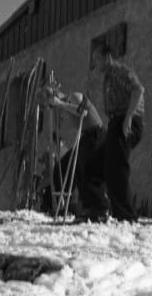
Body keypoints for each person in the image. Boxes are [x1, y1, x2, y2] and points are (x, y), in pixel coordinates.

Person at [94, 42, 146, 222]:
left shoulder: (119, 72)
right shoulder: (108, 77)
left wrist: (129, 118)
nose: (96, 64)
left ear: (107, 57)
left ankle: (126, 215)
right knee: (101, 163)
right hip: (116, 122)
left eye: (97, 59)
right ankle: (98, 207)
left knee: (117, 167)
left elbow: (138, 90)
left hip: (126, 121)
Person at [44, 86, 106, 221]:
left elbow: (82, 112)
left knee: (84, 169)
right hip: (87, 136)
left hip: (95, 134)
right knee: (64, 165)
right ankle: (61, 204)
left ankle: (96, 208)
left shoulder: (75, 96)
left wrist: (60, 103)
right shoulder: (66, 104)